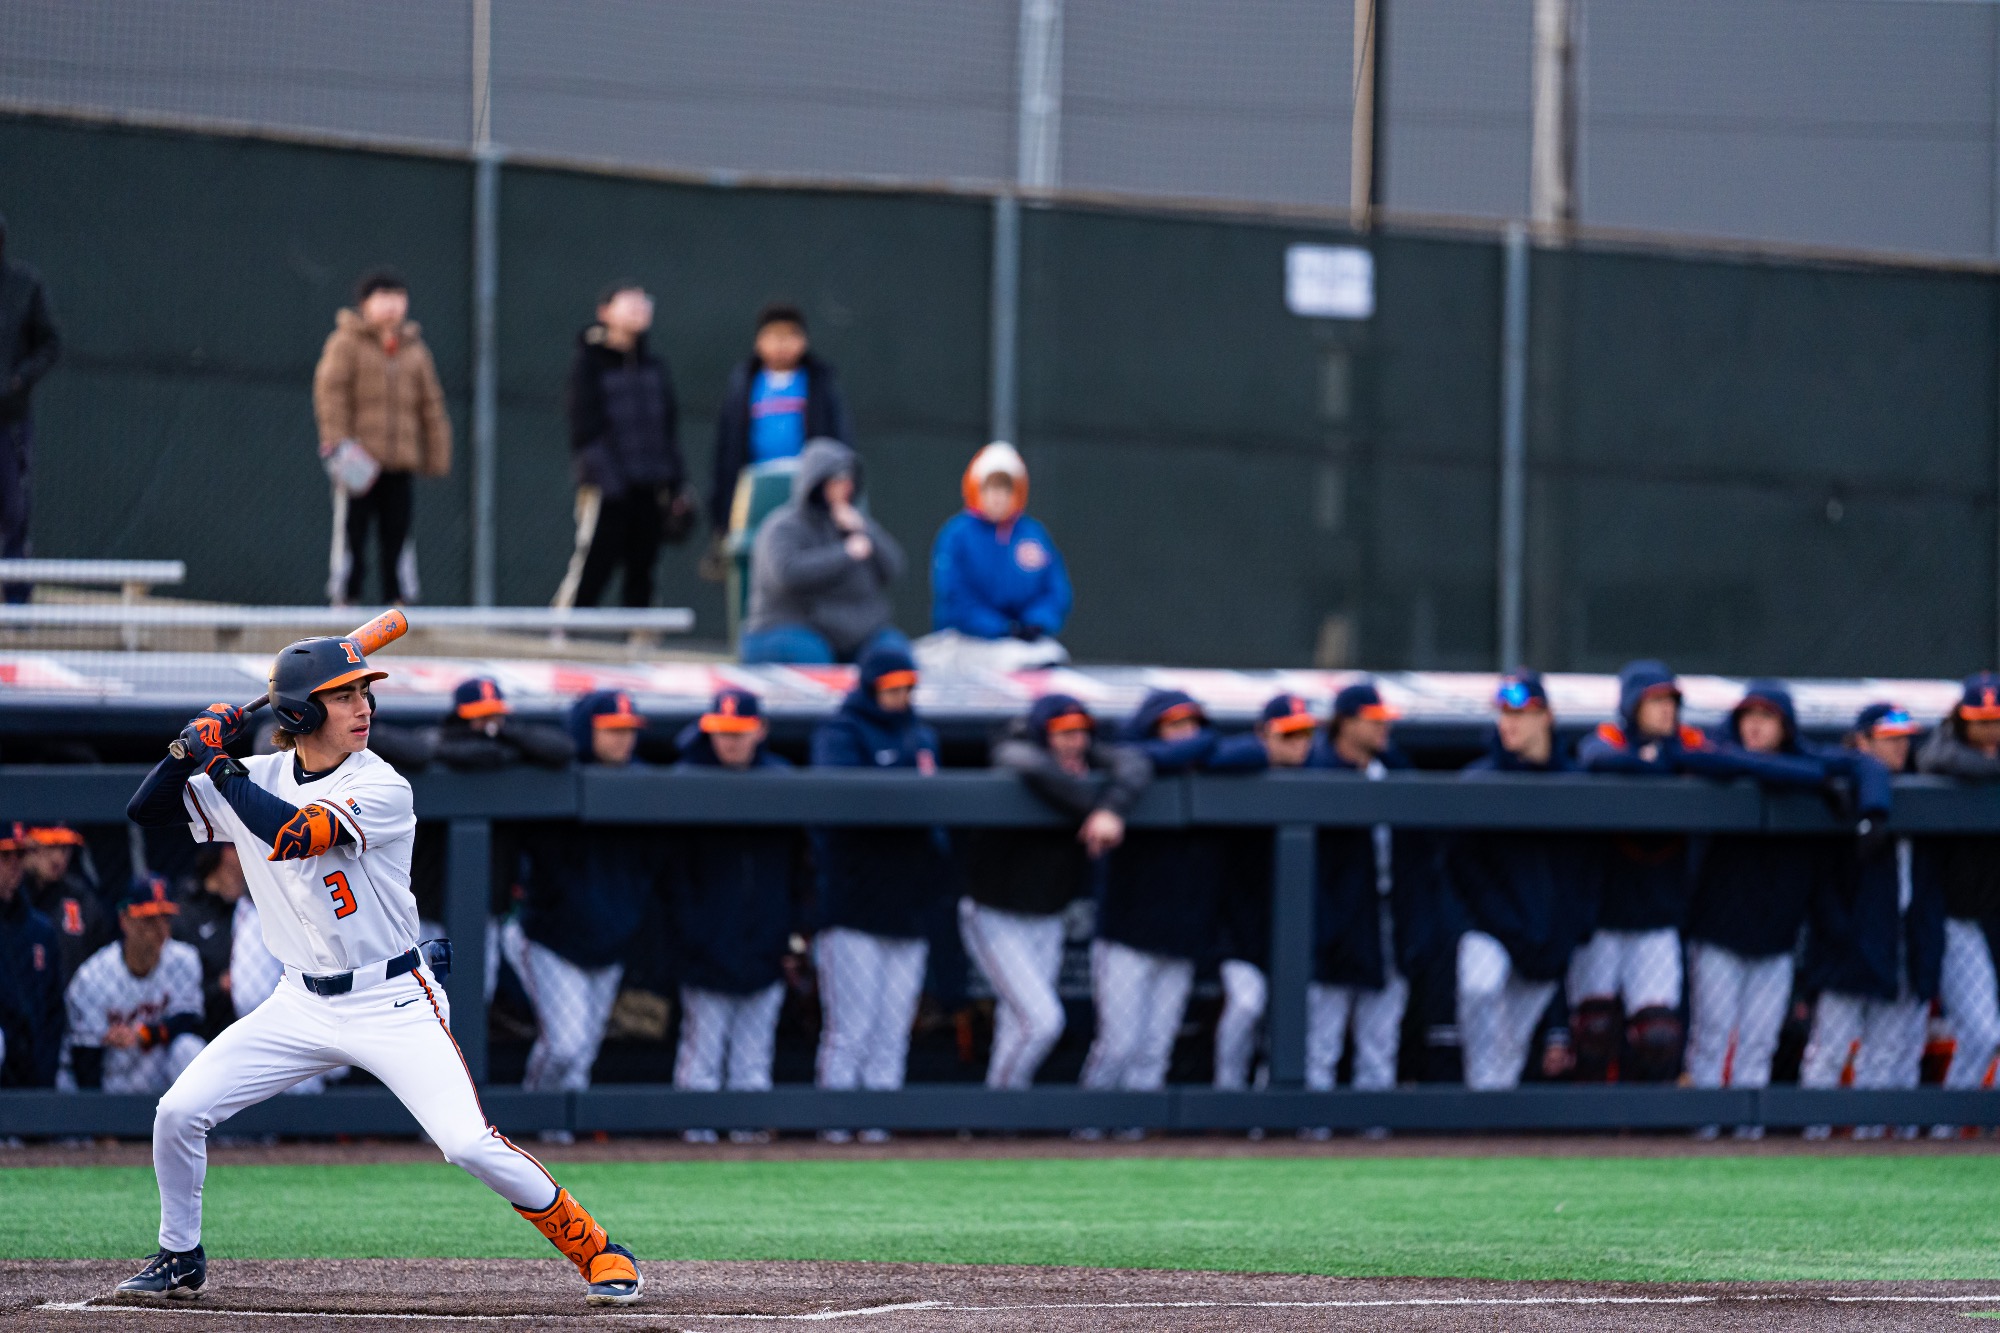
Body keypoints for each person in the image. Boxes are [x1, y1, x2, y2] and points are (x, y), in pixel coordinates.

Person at [121, 639, 641, 1304]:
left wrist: (218, 765)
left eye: (363, 693)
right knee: (178, 1111)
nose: (362, 706)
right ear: (303, 714)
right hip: (299, 1001)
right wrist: (186, 749)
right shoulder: (258, 775)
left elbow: (293, 835)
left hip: (392, 997)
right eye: (343, 696)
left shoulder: (380, 783)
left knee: (466, 1143)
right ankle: (178, 1254)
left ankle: (595, 1246)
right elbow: (147, 809)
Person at [1678, 681, 1890, 1121]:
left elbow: (1868, 767)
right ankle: (1703, 1134)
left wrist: (1874, 812)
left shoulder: (1809, 755)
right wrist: (1817, 781)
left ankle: (1748, 1140)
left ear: (1785, 725)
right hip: (1719, 929)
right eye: (1748, 717)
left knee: (1759, 1042)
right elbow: (1702, 756)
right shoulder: (1720, 752)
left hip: (1777, 934)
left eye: (1766, 717)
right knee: (1712, 1038)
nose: (1754, 726)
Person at [960, 694, 1151, 1089]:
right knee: (1042, 1021)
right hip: (995, 911)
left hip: (1047, 914)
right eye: (1063, 733)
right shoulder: (1019, 752)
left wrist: (1110, 808)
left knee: (1018, 1024)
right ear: (1043, 733)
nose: (1074, 741)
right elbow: (1024, 762)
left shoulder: (1092, 759)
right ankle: (1000, 1110)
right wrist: (1092, 807)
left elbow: (1136, 764)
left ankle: (1003, 1123)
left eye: (1081, 732)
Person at [506, 692, 662, 1116]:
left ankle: (565, 1137)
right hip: (550, 939)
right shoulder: (554, 777)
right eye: (612, 730)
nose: (623, 739)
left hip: (609, 943)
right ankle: (530, 1120)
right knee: (564, 1045)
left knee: (585, 1052)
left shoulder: (645, 785)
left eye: (629, 730)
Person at [809, 645, 946, 1125]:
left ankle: (878, 1131)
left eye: (907, 686)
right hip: (853, 906)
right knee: (852, 1029)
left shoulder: (922, 733)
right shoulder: (840, 733)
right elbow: (839, 808)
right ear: (870, 687)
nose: (901, 695)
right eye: (892, 687)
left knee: (892, 1029)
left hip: (908, 905)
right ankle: (835, 1128)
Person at [1448, 673, 1602, 1091]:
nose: (1509, 724)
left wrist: (1568, 931)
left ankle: (1488, 1139)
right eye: (1504, 714)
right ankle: (1478, 1112)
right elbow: (1462, 871)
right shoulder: (1479, 781)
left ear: (1546, 717)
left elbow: (1585, 872)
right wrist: (1504, 927)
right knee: (1480, 986)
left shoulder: (1576, 782)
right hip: (1491, 929)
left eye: (1521, 713)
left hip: (1547, 935)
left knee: (1510, 1052)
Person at [1800, 705, 1945, 1137]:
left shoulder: (1927, 790)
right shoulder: (1840, 788)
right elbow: (1821, 884)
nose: (1901, 746)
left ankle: (1870, 1143)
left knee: (1887, 1052)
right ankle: (1813, 1137)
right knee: (1831, 1050)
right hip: (1848, 942)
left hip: (1903, 938)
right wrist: (1840, 931)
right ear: (1862, 742)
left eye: (1905, 738)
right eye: (1889, 738)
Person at [670, 689, 803, 1117]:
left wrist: (792, 935)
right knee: (703, 1055)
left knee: (753, 1057)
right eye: (722, 733)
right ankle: (693, 1136)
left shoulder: (783, 781)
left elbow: (802, 869)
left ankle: (749, 1141)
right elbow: (672, 878)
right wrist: (690, 933)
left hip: (766, 941)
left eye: (739, 733)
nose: (729, 742)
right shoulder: (685, 780)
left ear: (759, 731)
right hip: (706, 945)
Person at [1084, 690, 1221, 1100]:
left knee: (1155, 1048)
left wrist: (1197, 746)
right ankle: (1086, 1126)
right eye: (1174, 725)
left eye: (1192, 724)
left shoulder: (1212, 766)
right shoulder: (1128, 765)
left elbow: (1244, 750)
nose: (1187, 734)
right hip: (1126, 935)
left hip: (1180, 938)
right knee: (1118, 1045)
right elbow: (1122, 752)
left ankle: (1136, 1139)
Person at [1304, 682, 1438, 1095]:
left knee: (1379, 1043)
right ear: (1345, 723)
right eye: (1373, 721)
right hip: (1332, 928)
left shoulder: (1395, 772)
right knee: (1320, 1042)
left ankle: (1373, 1139)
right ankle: (1312, 1133)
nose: (1383, 729)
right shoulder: (1316, 772)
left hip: (1387, 922)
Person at [1570, 660, 1700, 1082]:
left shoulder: (1687, 743)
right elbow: (1595, 758)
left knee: (1658, 1037)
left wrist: (1660, 757)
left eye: (1671, 702)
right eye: (1655, 701)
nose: (1667, 711)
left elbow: (1722, 761)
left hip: (1657, 913)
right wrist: (1659, 762)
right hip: (1603, 915)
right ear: (1632, 706)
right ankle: (1586, 1133)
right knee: (1593, 1031)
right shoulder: (1609, 739)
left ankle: (1648, 1139)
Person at [313, 269, 452, 607]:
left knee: (398, 535)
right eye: (382, 297)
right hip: (358, 461)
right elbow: (330, 394)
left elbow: (431, 405)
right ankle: (346, 598)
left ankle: (398, 603)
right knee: (352, 534)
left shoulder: (416, 351)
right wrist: (339, 444)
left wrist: (437, 455)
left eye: (397, 297)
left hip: (399, 462)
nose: (391, 305)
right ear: (365, 304)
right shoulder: (346, 343)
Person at [1203, 693, 1321, 1091]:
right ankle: (1228, 1091)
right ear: (1263, 734)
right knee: (1246, 1004)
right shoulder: (1242, 770)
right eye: (1288, 735)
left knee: (1289, 1018)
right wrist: (1261, 750)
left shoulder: (1319, 774)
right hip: (1237, 930)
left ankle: (1269, 1100)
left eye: (1304, 734)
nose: (1298, 744)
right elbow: (1215, 755)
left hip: (1296, 928)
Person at [554, 283, 692, 611]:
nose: (638, 308)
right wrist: (610, 482)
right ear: (605, 312)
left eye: (643, 301)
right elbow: (585, 429)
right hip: (608, 487)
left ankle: (641, 644)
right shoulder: (588, 363)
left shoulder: (654, 367)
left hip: (649, 486)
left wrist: (675, 484)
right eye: (627, 301)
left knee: (643, 566)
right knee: (595, 561)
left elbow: (668, 429)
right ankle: (565, 634)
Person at [741, 438, 905, 664]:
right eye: (838, 480)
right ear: (818, 481)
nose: (846, 487)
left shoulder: (853, 524)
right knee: (814, 660)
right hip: (786, 626)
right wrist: (845, 554)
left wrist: (867, 530)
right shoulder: (783, 526)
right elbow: (787, 573)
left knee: (894, 660)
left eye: (849, 480)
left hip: (853, 633)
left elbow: (895, 567)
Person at [1915, 672, 2000, 1100]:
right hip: (1955, 919)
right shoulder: (1943, 751)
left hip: (1992, 917)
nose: (1989, 730)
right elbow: (1936, 759)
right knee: (1983, 1033)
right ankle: (1951, 1126)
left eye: (1996, 720)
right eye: (1980, 720)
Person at [707, 303, 853, 542]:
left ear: (804, 341)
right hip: (754, 487)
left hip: (807, 488)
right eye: (774, 336)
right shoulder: (743, 384)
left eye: (790, 335)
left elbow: (840, 438)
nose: (782, 344)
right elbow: (726, 449)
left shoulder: (820, 383)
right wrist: (722, 513)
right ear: (759, 341)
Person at [924, 442, 1072, 667]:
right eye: (990, 488)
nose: (998, 497)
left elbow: (1055, 590)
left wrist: (1036, 622)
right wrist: (1001, 628)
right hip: (969, 642)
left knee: (1052, 657)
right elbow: (955, 598)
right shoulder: (957, 535)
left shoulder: (1032, 534)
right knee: (1009, 661)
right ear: (976, 489)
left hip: (1026, 644)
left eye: (1006, 489)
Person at [64, 874, 205, 1095]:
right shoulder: (93, 976)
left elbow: (188, 1020)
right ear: (125, 921)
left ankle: (199, 1127)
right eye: (149, 920)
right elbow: (85, 1059)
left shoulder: (183, 960)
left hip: (162, 1078)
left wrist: (144, 1033)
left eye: (165, 918)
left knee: (189, 1047)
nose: (160, 930)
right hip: (111, 1080)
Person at [0, 210, 61, 603]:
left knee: (14, 510)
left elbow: (50, 343)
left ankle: (17, 602)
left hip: (10, 421)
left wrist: (18, 380)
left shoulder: (24, 286)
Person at [0, 820, 62, 1087]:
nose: (15, 864)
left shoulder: (40, 929)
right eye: (5, 856)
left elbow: (54, 1008)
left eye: (20, 854)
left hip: (33, 1062)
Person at [172, 845, 249, 1040]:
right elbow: (175, 992)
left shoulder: (250, 909)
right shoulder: (187, 912)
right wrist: (219, 985)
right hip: (203, 1028)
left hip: (251, 1017)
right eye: (235, 846)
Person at [23, 821, 107, 990]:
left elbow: (100, 955)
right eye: (51, 847)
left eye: (64, 848)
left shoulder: (80, 897)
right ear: (28, 847)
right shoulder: (12, 897)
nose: (58, 858)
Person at [435, 677, 576, 772]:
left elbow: (563, 749)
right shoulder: (445, 738)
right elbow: (478, 754)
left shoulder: (512, 736)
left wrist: (507, 733)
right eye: (482, 716)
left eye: (495, 715)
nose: (490, 722)